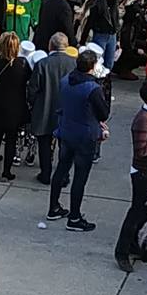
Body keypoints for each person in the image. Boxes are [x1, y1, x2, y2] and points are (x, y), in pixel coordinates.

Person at [46, 48, 110, 233]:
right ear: (92, 66)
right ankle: (74, 217)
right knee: (80, 177)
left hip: (66, 131)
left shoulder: (66, 80)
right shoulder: (93, 89)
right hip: (85, 136)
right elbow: (104, 112)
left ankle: (53, 207)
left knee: (61, 168)